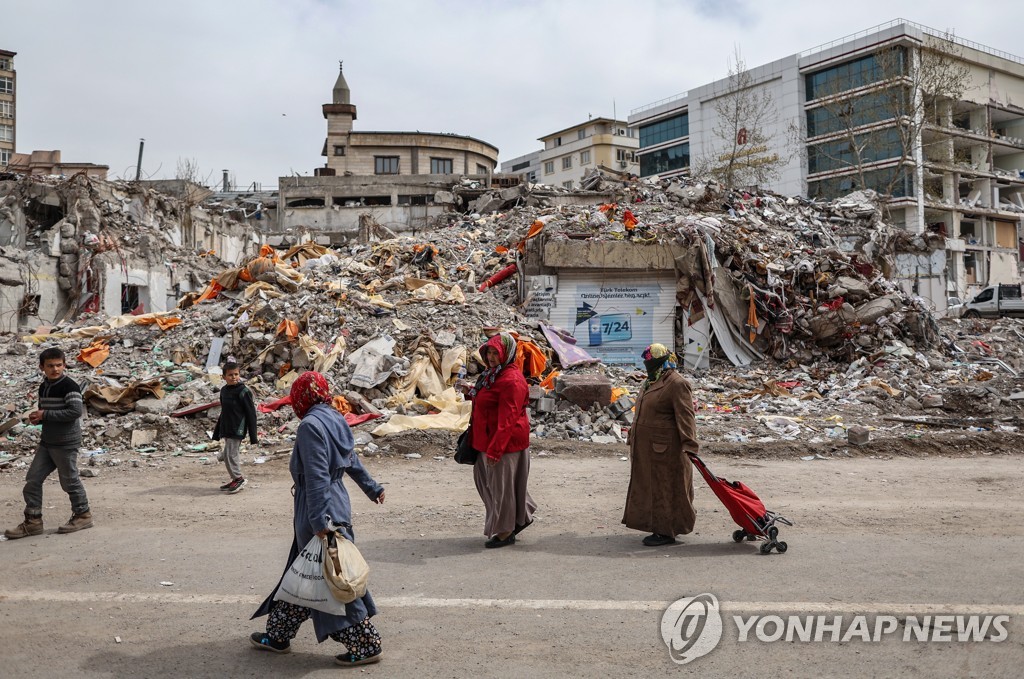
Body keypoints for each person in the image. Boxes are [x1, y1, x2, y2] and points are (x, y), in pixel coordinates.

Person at [250, 371, 386, 668]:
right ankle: (278, 634)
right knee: (303, 571)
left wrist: (318, 520)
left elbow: (316, 476)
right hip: (336, 501)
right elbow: (352, 460)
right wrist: (371, 488)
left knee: (330, 578)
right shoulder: (335, 416)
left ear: (302, 398)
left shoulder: (310, 426)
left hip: (319, 508)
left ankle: (366, 644)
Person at [4, 347, 92, 539]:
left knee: (69, 481)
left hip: (66, 442)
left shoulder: (69, 386)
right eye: (50, 366)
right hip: (48, 442)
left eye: (59, 365)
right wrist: (40, 418)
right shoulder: (44, 386)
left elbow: (75, 412)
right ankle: (33, 521)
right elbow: (48, 412)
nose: (55, 369)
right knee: (33, 480)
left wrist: (46, 414)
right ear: (42, 367)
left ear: (64, 365)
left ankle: (83, 514)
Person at [466, 332, 536, 549]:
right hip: (486, 440)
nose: (491, 357)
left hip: (503, 445)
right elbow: (490, 400)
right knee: (497, 486)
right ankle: (521, 516)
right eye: (489, 352)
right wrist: (471, 392)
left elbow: (508, 419)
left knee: (500, 490)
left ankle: (506, 532)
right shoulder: (494, 374)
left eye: (496, 352)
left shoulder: (512, 380)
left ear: (507, 353)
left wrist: (496, 451)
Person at [622, 343, 697, 547]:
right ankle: (656, 525)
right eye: (646, 361)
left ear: (661, 361)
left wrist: (690, 445)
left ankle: (666, 532)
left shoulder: (676, 383)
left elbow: (686, 417)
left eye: (651, 361)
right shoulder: (651, 381)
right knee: (649, 488)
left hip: (666, 449)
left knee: (664, 489)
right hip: (648, 448)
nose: (648, 365)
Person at [212, 361, 259, 494]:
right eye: (230, 375)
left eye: (236, 374)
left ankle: (239, 479)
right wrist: (218, 431)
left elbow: (251, 414)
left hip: (238, 427)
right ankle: (234, 479)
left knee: (231, 455)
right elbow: (224, 412)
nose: (233, 377)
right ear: (224, 377)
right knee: (227, 455)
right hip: (227, 427)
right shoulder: (224, 391)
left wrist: (253, 436)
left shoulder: (244, 391)